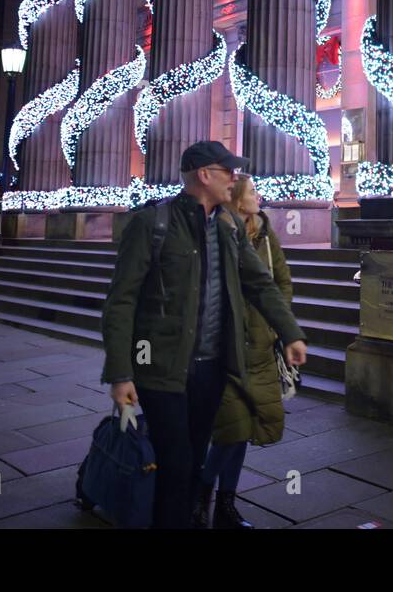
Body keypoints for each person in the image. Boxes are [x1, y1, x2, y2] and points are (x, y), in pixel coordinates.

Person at [100, 141, 307, 529]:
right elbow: (121, 301)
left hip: (212, 370)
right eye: (227, 170)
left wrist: (290, 332)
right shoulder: (153, 224)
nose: (235, 177)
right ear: (204, 175)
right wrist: (120, 373)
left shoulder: (228, 229)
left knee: (193, 463)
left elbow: (262, 284)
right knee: (176, 466)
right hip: (161, 369)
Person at [193, 174, 293, 529]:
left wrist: (276, 324)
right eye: (252, 191)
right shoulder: (216, 233)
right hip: (225, 348)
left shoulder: (265, 233)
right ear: (235, 198)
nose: (259, 196)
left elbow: (281, 280)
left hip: (261, 349)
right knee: (231, 429)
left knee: (245, 429)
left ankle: (225, 506)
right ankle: (201, 494)